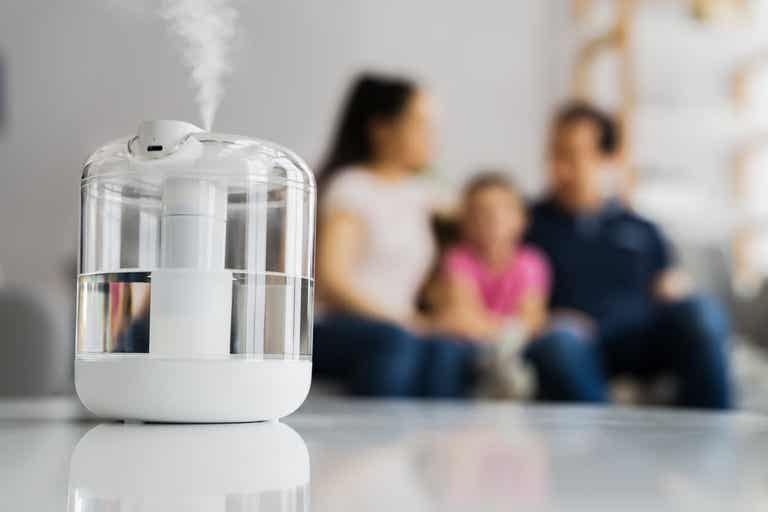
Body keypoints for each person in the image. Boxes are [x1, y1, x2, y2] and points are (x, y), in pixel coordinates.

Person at [524, 102, 732, 409]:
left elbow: (670, 285)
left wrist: (680, 297)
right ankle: (605, 436)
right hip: (576, 341)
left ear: (606, 159)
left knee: (701, 310)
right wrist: (545, 320)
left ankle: (714, 435)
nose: (560, 167)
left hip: (641, 337)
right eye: (554, 153)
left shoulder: (642, 228)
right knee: (560, 344)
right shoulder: (526, 224)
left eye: (573, 154)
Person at [313, 73, 478, 398]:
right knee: (397, 341)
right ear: (381, 129)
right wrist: (409, 321)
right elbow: (333, 281)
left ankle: (441, 432)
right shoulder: (352, 188)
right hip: (345, 326)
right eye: (421, 125)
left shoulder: (421, 192)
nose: (432, 137)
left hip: (402, 326)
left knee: (446, 348)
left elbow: (484, 217)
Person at [435, 172, 550, 344]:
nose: (493, 218)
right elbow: (461, 316)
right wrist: (509, 328)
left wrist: (487, 327)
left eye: (504, 209)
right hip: (470, 345)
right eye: (481, 211)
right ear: (465, 221)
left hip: (517, 346)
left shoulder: (531, 262)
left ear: (521, 219)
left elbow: (531, 320)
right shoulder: (457, 258)